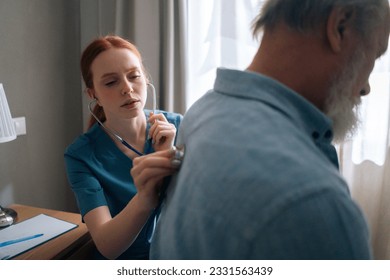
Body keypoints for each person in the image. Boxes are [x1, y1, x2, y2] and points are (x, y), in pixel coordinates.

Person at [150, 0, 390, 259]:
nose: (366, 87)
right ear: (340, 27)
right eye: (374, 54)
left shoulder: (200, 114)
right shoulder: (313, 202)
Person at [64, 35, 182, 259]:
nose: (127, 89)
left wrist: (170, 156)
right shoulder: (80, 156)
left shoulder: (179, 127)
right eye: (111, 82)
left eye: (134, 76)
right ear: (93, 94)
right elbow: (108, 246)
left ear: (145, 78)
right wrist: (145, 196)